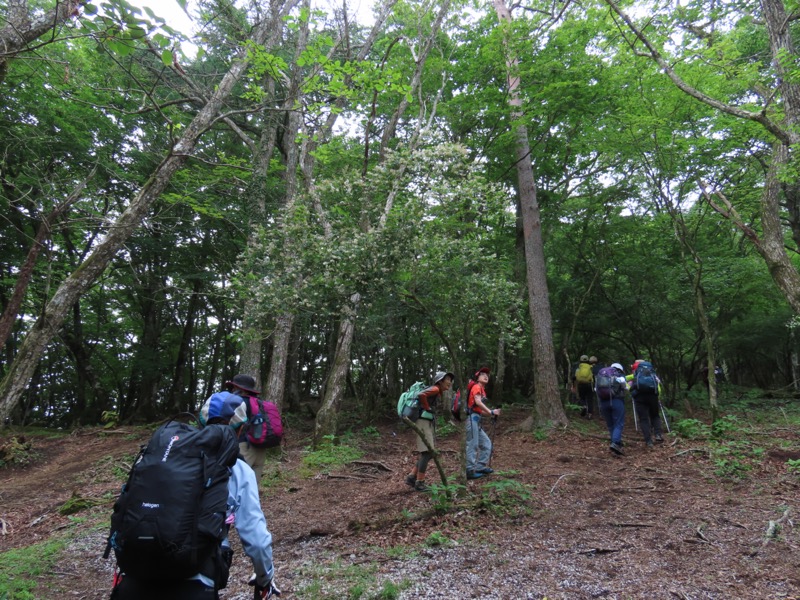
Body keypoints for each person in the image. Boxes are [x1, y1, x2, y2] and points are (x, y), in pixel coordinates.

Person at [110, 392, 279, 599]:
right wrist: (264, 578)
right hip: (195, 581)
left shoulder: (157, 457)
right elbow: (257, 539)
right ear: (241, 429)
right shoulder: (238, 470)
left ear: (200, 422)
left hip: (134, 578)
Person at [404, 370, 454, 492]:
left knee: (427, 453)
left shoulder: (437, 391)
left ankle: (412, 477)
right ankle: (419, 482)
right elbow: (422, 395)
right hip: (423, 423)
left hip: (424, 422)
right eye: (447, 379)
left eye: (450, 380)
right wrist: (428, 408)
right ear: (440, 381)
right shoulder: (436, 389)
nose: (449, 382)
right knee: (428, 453)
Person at [226, 373, 270, 481]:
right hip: (261, 445)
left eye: (233, 387)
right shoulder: (260, 402)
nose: (232, 390)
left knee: (238, 480)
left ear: (238, 388)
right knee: (254, 484)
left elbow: (231, 424)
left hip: (244, 446)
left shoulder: (239, 402)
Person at [466, 367, 501, 479]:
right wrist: (491, 411)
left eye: (487, 375)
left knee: (487, 444)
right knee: (473, 444)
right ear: (478, 377)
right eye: (482, 374)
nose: (486, 376)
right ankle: (469, 470)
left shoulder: (482, 390)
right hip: (471, 419)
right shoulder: (476, 387)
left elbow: (479, 409)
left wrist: (492, 413)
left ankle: (480, 467)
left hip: (476, 419)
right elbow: (477, 402)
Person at [629, 360, 664, 448]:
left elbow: (624, 380)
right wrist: (657, 395)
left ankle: (648, 441)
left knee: (643, 419)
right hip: (653, 396)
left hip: (640, 397)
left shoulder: (636, 374)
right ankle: (658, 435)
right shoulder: (652, 374)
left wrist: (630, 389)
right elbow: (658, 386)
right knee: (655, 416)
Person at [596, 362, 626, 456]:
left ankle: (616, 443)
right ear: (620, 369)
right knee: (618, 423)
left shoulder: (601, 376)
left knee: (610, 424)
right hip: (616, 401)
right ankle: (615, 443)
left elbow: (596, 389)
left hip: (604, 402)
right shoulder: (619, 376)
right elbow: (624, 387)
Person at [572, 355, 595, 419]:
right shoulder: (590, 367)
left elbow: (574, 377)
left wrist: (573, 386)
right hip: (589, 385)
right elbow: (593, 376)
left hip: (581, 384)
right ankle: (590, 414)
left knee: (582, 398)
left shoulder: (578, 367)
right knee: (590, 399)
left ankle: (584, 406)